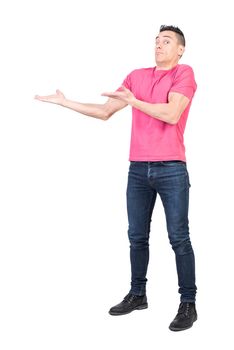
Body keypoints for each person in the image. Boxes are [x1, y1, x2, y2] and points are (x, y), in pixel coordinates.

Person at [35, 25, 197, 331]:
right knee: (136, 236)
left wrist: (134, 102)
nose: (159, 45)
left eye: (166, 41)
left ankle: (188, 303)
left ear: (180, 49)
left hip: (172, 168)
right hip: (138, 169)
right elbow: (106, 111)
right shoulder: (136, 76)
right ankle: (138, 295)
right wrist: (65, 102)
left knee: (178, 237)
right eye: (156, 41)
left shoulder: (184, 73)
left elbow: (172, 114)